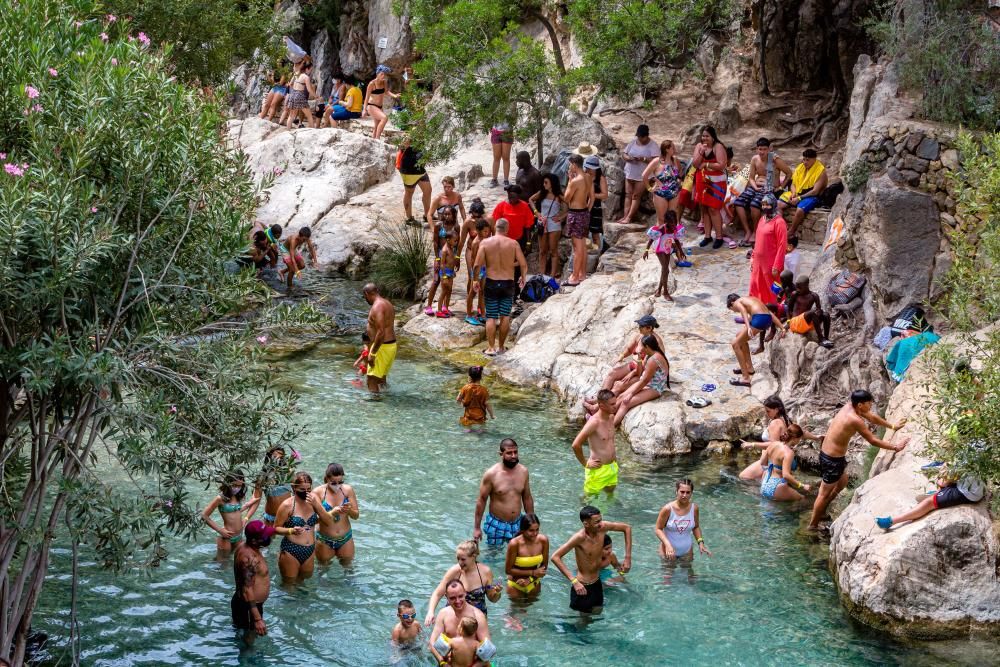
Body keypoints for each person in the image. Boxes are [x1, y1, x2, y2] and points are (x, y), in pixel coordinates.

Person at [807, 390, 909, 531]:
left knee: (842, 482)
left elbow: (871, 417)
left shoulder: (850, 406)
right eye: (869, 404)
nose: (871, 406)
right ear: (860, 405)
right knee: (823, 494)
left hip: (831, 456)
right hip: (832, 460)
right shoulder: (854, 419)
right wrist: (895, 447)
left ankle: (822, 511)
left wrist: (892, 426)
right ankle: (812, 526)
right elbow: (872, 440)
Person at [550, 506, 632, 614]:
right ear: (586, 524)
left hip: (597, 583)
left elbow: (626, 528)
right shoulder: (579, 538)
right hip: (582, 586)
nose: (601, 524)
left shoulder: (603, 528)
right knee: (583, 621)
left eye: (601, 520)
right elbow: (555, 557)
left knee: (598, 612)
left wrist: (627, 558)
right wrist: (574, 581)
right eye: (596, 522)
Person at [472, 218, 528, 356]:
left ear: (495, 228)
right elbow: (523, 264)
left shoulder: (485, 242)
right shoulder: (513, 243)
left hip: (491, 282)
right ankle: (501, 347)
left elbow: (477, 265)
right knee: (505, 316)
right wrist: (523, 277)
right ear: (507, 229)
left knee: (491, 317)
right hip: (508, 283)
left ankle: (491, 348)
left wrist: (475, 280)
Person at [876, 465, 985, 530]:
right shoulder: (978, 443)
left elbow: (946, 480)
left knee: (929, 503)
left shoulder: (964, 454)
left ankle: (892, 521)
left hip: (968, 493)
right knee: (946, 469)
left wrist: (941, 481)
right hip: (974, 486)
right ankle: (939, 493)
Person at [425, 541, 502, 626]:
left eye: (463, 559)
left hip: (476, 620)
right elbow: (438, 593)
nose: (460, 562)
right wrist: (430, 612)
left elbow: (492, 599)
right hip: (454, 616)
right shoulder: (454, 571)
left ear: (473, 556)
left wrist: (497, 592)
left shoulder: (485, 572)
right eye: (458, 559)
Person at [473, 438, 535, 546]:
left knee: (518, 555)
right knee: (494, 556)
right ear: (501, 454)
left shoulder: (523, 472)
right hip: (497, 523)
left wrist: (532, 523)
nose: (513, 456)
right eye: (509, 453)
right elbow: (481, 500)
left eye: (515, 452)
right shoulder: (491, 474)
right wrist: (477, 528)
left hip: (517, 523)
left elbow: (527, 498)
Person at [732, 138, 793, 246]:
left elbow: (789, 173)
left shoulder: (775, 160)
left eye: (764, 149)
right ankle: (747, 231)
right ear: (756, 149)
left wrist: (781, 187)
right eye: (760, 149)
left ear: (769, 149)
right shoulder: (755, 159)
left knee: (754, 205)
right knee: (738, 203)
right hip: (756, 187)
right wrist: (755, 187)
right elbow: (751, 177)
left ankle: (756, 232)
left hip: (770, 188)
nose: (762, 152)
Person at [274, 471, 332, 583]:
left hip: (309, 550)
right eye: (302, 490)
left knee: (303, 582)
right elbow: (276, 528)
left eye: (308, 489)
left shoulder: (313, 499)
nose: (306, 492)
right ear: (293, 488)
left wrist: (316, 505)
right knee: (289, 584)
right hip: (291, 549)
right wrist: (290, 530)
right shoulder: (287, 505)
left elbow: (328, 521)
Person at [428, 581, 494, 666]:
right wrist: (442, 662)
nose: (457, 601)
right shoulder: (443, 613)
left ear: (465, 593)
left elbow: (488, 652)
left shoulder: (477, 616)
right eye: (452, 598)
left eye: (460, 596)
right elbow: (432, 643)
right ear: (446, 597)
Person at [597, 315, 666, 394]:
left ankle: (604, 402)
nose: (639, 327)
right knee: (612, 373)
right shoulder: (639, 336)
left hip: (644, 372)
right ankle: (599, 397)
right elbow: (629, 349)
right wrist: (621, 356)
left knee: (619, 385)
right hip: (635, 365)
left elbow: (649, 365)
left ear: (649, 328)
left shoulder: (656, 343)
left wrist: (633, 373)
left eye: (641, 326)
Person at [726, 294, 785, 387]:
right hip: (766, 320)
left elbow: (743, 311)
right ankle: (749, 368)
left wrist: (748, 327)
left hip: (759, 319)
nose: (735, 311)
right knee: (739, 336)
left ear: (732, 303)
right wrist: (782, 328)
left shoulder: (738, 302)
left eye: (732, 309)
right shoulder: (753, 300)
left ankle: (745, 378)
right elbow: (770, 314)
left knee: (735, 344)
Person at [232, 520, 274, 645]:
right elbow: (247, 589)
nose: (268, 537)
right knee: (249, 643)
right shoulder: (249, 558)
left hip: (242, 604)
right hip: (249, 607)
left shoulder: (244, 545)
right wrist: (257, 619)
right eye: (265, 536)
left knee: (242, 632)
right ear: (255, 541)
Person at [612, 335, 671, 425]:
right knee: (621, 396)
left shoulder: (654, 359)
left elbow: (645, 381)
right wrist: (639, 357)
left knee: (626, 402)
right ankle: (605, 419)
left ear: (647, 346)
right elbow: (640, 371)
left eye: (642, 346)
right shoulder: (649, 355)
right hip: (645, 383)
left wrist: (631, 394)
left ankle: (610, 428)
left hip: (654, 388)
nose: (640, 348)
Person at [572, 389, 620, 496]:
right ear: (602, 406)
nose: (615, 406)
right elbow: (576, 445)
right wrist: (585, 463)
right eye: (612, 404)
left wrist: (614, 460)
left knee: (610, 496)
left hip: (612, 467)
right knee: (589, 500)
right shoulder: (594, 423)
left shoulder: (611, 417)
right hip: (597, 469)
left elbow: (610, 441)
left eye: (615, 403)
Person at [201, 470, 261, 555]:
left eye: (239, 486)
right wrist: (220, 530)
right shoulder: (220, 498)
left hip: (239, 536)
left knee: (238, 563)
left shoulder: (237, 496)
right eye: (234, 485)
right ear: (227, 483)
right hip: (226, 537)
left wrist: (248, 506)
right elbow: (204, 515)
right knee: (223, 565)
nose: (237, 488)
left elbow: (235, 511)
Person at [311, 463, 359, 565]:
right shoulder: (317, 492)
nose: (337, 486)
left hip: (345, 538)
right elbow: (312, 521)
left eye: (340, 482)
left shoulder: (348, 490)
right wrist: (332, 512)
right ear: (326, 479)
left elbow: (356, 516)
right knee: (323, 569)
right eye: (333, 483)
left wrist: (349, 510)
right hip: (324, 539)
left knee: (349, 569)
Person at [654, 479, 712, 559]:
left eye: (688, 492)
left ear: (691, 493)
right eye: (682, 492)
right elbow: (658, 529)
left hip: (687, 551)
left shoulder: (694, 508)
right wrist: (668, 545)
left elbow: (696, 527)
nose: (685, 495)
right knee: (668, 571)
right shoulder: (667, 509)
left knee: (689, 571)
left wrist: (700, 543)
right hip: (668, 551)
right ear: (676, 491)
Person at [737, 395, 791, 481]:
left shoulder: (776, 423)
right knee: (760, 481)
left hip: (772, 460)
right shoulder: (785, 419)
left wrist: (752, 444)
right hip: (778, 460)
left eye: (768, 411)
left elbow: (774, 445)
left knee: (744, 476)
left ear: (776, 410)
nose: (766, 413)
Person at [692, 126, 729, 249]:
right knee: (705, 209)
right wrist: (701, 152)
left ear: (713, 137)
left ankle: (719, 237)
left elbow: (722, 165)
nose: (704, 138)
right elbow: (695, 164)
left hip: (716, 183)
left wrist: (707, 163)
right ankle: (707, 236)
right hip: (702, 181)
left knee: (714, 209)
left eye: (707, 136)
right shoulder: (699, 146)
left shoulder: (718, 147)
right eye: (703, 136)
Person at [748, 193, 787, 305]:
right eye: (763, 204)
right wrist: (753, 258)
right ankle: (756, 309)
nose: (765, 207)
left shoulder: (779, 222)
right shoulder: (762, 219)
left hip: (770, 263)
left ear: (773, 205)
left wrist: (777, 265)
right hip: (758, 262)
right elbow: (758, 240)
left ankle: (776, 310)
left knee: (771, 287)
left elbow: (782, 245)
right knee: (756, 285)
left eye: (767, 205)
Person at [757, 425, 813, 501]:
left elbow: (763, 462)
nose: (799, 441)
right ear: (794, 438)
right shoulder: (789, 453)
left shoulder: (774, 444)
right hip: (777, 487)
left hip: (764, 483)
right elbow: (786, 475)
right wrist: (802, 485)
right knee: (803, 499)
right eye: (799, 439)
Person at [780, 149, 828, 237]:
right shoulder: (800, 167)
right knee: (778, 204)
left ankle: (791, 231)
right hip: (797, 193)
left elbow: (815, 191)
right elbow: (793, 184)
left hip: (812, 196)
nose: (805, 162)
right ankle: (781, 228)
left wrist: (799, 198)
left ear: (814, 159)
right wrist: (794, 193)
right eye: (804, 159)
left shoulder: (821, 171)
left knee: (800, 210)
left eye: (808, 160)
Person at [617, 124, 659, 224]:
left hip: (642, 175)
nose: (640, 138)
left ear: (646, 136)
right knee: (628, 194)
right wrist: (628, 158)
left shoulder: (653, 145)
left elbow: (656, 160)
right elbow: (624, 153)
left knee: (636, 196)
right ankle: (625, 216)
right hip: (630, 172)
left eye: (642, 137)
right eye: (639, 136)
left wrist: (643, 159)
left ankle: (629, 217)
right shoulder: (633, 143)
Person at [563, 154, 594, 286]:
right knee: (583, 246)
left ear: (574, 165)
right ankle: (582, 274)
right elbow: (592, 197)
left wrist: (569, 180)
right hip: (585, 213)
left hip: (575, 214)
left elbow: (566, 198)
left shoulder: (576, 181)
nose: (570, 167)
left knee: (578, 247)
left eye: (570, 164)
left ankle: (574, 277)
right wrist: (587, 209)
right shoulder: (588, 177)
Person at [529, 173, 567, 278]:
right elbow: (530, 200)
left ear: (552, 183)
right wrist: (536, 212)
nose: (544, 184)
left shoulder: (559, 195)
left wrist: (562, 216)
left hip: (554, 224)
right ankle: (541, 274)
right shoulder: (542, 193)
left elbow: (572, 205)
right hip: (542, 222)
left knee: (553, 250)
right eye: (544, 182)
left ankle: (552, 275)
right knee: (542, 251)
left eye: (546, 182)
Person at [425, 205, 460, 317]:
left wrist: (457, 258)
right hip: (440, 254)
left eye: (449, 214)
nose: (446, 216)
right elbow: (435, 242)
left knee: (449, 282)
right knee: (436, 280)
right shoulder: (439, 225)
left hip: (451, 256)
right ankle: (429, 306)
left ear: (454, 215)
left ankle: (445, 307)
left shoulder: (456, 226)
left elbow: (457, 243)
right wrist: (437, 258)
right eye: (445, 213)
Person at [504, 513, 549, 600]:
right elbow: (508, 570)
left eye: (537, 529)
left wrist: (530, 579)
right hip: (515, 586)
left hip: (534, 583)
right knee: (516, 613)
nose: (535, 533)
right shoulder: (514, 543)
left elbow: (544, 567)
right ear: (522, 530)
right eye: (531, 530)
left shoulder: (543, 540)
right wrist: (532, 572)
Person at [643, 210, 685, 301]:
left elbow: (676, 240)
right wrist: (646, 250)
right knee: (665, 268)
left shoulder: (674, 229)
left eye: (675, 222)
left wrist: (681, 251)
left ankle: (659, 289)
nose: (674, 224)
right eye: (671, 222)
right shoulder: (662, 229)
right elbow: (651, 239)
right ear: (667, 222)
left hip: (667, 249)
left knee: (666, 271)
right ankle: (665, 292)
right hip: (659, 249)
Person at [363, 283, 397, 393]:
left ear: (367, 294)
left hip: (382, 347)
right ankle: (387, 398)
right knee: (381, 379)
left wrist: (372, 354)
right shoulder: (387, 303)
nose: (365, 300)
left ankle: (375, 407)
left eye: (365, 297)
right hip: (389, 345)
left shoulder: (378, 306)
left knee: (371, 380)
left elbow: (381, 331)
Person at [641, 139, 683, 228]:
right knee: (661, 219)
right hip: (661, 194)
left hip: (674, 193)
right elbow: (644, 175)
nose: (675, 149)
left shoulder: (675, 160)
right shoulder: (657, 161)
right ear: (667, 149)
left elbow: (680, 172)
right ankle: (659, 240)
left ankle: (670, 240)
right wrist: (650, 188)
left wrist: (679, 180)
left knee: (672, 218)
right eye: (673, 147)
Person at [489, 184, 534, 265]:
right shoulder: (501, 206)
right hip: (504, 241)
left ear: (519, 196)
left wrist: (528, 242)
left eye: (513, 197)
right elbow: (495, 225)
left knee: (517, 264)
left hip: (520, 240)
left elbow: (528, 227)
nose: (511, 199)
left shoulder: (525, 206)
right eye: (509, 197)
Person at [786, 274, 833, 347]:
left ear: (806, 285)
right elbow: (788, 308)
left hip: (807, 323)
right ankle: (821, 339)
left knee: (826, 315)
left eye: (799, 288)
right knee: (812, 312)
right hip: (796, 323)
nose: (797, 290)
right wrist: (788, 321)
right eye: (796, 287)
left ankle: (826, 339)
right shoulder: (795, 294)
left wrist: (818, 312)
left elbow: (819, 310)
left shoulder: (814, 296)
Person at [398, 136, 431, 225]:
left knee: (428, 190)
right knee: (409, 193)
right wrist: (408, 141)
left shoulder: (425, 134)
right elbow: (402, 146)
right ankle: (409, 218)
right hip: (409, 171)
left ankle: (427, 215)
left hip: (420, 170)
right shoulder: (410, 135)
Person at [464, 216, 490, 325]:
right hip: (477, 271)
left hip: (483, 269)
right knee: (472, 293)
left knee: (482, 291)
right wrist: (475, 278)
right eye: (485, 231)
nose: (487, 233)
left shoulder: (485, 240)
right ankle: (469, 315)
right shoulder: (476, 243)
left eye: (488, 231)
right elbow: (474, 260)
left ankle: (482, 313)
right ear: (478, 231)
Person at [362, 65, 398, 140]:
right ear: (377, 74)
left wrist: (394, 95)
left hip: (379, 107)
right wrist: (364, 109)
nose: (383, 76)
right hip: (371, 106)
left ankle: (373, 141)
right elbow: (366, 98)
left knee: (377, 125)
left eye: (384, 74)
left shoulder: (384, 82)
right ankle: (378, 139)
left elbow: (386, 91)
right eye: (382, 74)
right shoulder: (372, 84)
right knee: (384, 118)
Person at [259, 446, 292, 525]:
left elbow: (299, 488)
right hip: (270, 518)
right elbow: (256, 496)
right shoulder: (264, 475)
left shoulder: (288, 472)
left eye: (281, 455)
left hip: (288, 516)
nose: (278, 457)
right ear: (269, 456)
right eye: (275, 455)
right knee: (267, 537)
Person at [278, 226, 319, 290]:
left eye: (306, 240)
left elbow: (311, 248)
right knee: (292, 270)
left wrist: (315, 261)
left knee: (302, 265)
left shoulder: (306, 237)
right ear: (299, 236)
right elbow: (292, 258)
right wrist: (297, 271)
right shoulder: (293, 240)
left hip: (293, 249)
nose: (304, 241)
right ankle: (290, 288)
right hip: (285, 250)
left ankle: (282, 272)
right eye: (303, 240)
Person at [458, 365, 493, 433]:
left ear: (469, 377)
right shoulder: (484, 390)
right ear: (481, 378)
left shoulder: (465, 387)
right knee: (482, 427)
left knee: (468, 427)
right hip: (480, 415)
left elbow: (458, 398)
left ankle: (469, 431)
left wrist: (462, 402)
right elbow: (487, 404)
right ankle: (480, 432)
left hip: (469, 414)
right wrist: (492, 415)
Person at [583, 155, 608, 250]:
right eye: (587, 168)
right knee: (584, 233)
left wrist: (591, 195)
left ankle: (596, 255)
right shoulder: (584, 176)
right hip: (584, 205)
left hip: (596, 208)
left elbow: (605, 195)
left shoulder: (600, 178)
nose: (588, 170)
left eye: (590, 168)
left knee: (595, 234)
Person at [284, 62, 316, 129]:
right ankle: (313, 130)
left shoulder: (296, 74)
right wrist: (316, 96)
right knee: (309, 115)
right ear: (307, 69)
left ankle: (288, 130)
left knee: (291, 115)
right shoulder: (306, 77)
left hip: (293, 94)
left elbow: (290, 84)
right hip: (300, 95)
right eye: (311, 69)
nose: (311, 71)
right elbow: (309, 90)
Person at [436, 229, 458, 318]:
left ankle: (446, 308)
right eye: (455, 240)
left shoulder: (451, 248)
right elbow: (442, 264)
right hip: (445, 273)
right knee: (444, 291)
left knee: (449, 291)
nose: (456, 242)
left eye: (456, 241)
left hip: (450, 272)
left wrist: (453, 271)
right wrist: (444, 276)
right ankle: (439, 310)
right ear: (448, 240)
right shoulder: (445, 250)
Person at [489, 122, 514, 187]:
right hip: (496, 131)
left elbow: (514, 116)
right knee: (496, 157)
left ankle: (506, 180)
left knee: (506, 157)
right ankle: (494, 179)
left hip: (507, 131)